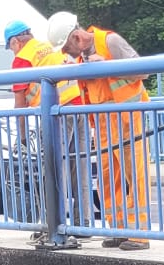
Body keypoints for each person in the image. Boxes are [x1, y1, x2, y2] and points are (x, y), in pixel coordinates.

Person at [64, 21, 152, 249]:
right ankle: (118, 228)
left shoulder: (110, 41)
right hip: (103, 121)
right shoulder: (82, 57)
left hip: (126, 117)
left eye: (66, 48)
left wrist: (108, 65)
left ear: (76, 37)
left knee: (135, 174)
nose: (66, 54)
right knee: (107, 177)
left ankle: (140, 233)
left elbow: (143, 69)